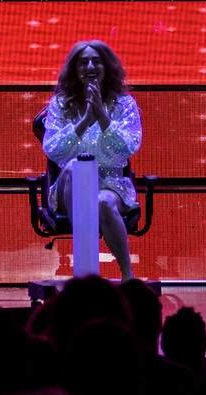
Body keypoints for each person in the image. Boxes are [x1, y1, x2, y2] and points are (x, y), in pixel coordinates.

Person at [41, 40, 143, 281]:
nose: (90, 67)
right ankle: (85, 274)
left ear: (106, 67)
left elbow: (127, 148)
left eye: (96, 61)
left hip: (111, 184)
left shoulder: (125, 104)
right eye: (83, 62)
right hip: (69, 187)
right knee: (75, 167)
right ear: (74, 69)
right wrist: (86, 120)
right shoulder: (60, 105)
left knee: (103, 203)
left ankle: (128, 276)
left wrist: (103, 117)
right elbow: (53, 150)